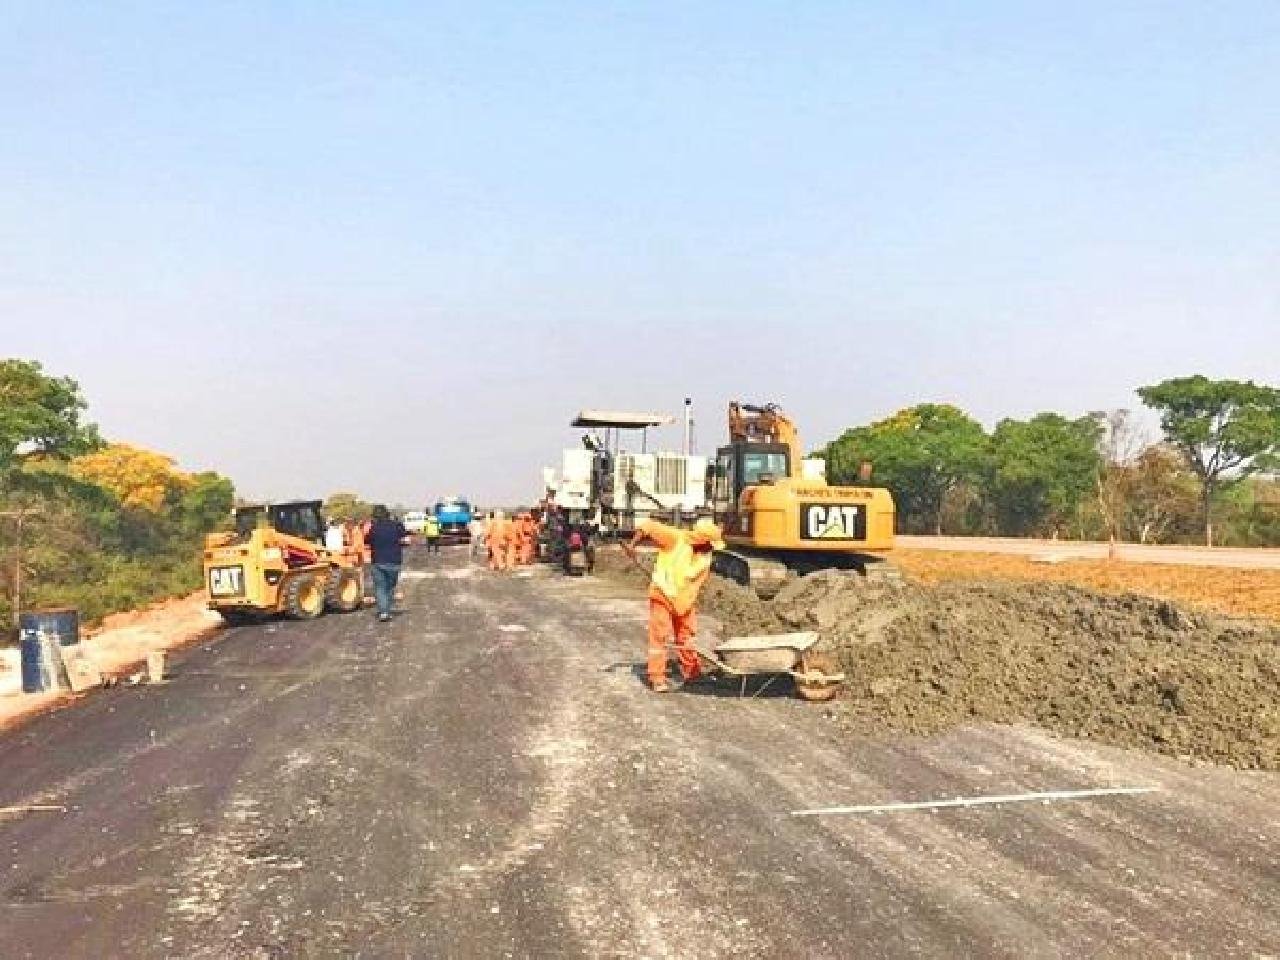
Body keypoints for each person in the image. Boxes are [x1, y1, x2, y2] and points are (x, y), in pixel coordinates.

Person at [625, 517, 725, 693]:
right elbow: (647, 526)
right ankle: (657, 678)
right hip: (663, 595)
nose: (712, 548)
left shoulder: (705, 555)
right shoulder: (674, 538)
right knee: (659, 637)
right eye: (710, 544)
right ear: (701, 539)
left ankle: (692, 673)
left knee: (687, 637)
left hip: (685, 602)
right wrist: (632, 545)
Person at [366, 505, 409, 622]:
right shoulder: (396, 525)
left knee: (380, 588)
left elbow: (367, 540)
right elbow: (405, 536)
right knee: (390, 587)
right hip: (394, 562)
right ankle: (387, 609)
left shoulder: (373, 528)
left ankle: (384, 612)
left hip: (378, 562)